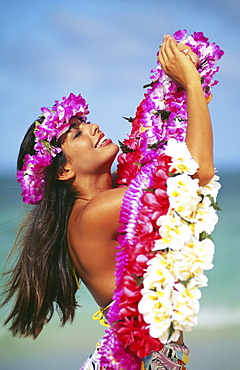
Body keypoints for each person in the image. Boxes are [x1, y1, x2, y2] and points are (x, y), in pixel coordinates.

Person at [1, 35, 215, 370]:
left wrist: (177, 90)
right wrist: (189, 80)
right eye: (76, 133)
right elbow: (198, 171)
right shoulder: (95, 214)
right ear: (64, 171)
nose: (92, 127)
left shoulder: (113, 199)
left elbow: (171, 154)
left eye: (84, 121)